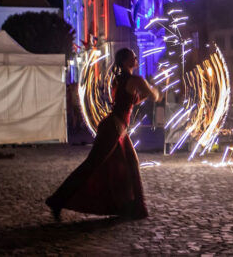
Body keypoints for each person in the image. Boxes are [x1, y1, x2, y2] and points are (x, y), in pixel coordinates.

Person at [46, 48, 160, 221]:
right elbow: (153, 96)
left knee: (132, 163)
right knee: (91, 165)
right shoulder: (135, 79)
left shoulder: (119, 80)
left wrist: (143, 96)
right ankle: (57, 200)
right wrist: (156, 90)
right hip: (113, 129)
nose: (136, 58)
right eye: (133, 56)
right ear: (125, 62)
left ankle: (137, 207)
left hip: (117, 128)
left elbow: (132, 100)